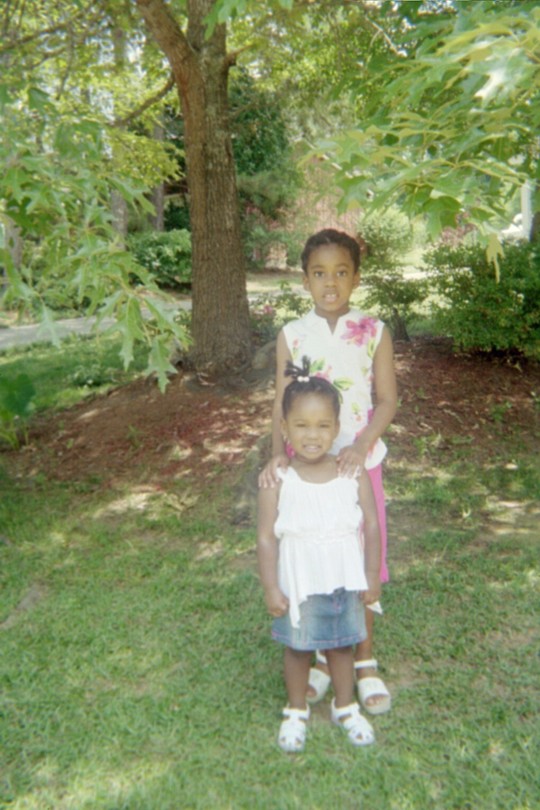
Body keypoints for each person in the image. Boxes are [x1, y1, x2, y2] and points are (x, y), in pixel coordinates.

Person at [259, 228, 397, 714]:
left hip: (358, 465)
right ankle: (320, 653)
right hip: (306, 471)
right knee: (313, 556)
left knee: (359, 556)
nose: (330, 283)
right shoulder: (292, 334)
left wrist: (360, 445)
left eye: (341, 272)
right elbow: (281, 403)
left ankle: (365, 661)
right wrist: (278, 453)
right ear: (305, 280)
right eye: (319, 273)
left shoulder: (373, 330)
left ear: (356, 278)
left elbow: (387, 399)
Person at [257, 357, 381, 752]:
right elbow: (266, 538)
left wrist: (372, 575)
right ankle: (296, 711)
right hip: (300, 582)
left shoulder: (351, 472)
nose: (313, 435)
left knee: (341, 645)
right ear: (285, 428)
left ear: (337, 428)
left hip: (343, 578)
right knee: (298, 648)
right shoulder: (278, 478)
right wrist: (271, 588)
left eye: (323, 426)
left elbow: (372, 526)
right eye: (302, 425)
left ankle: (346, 707)